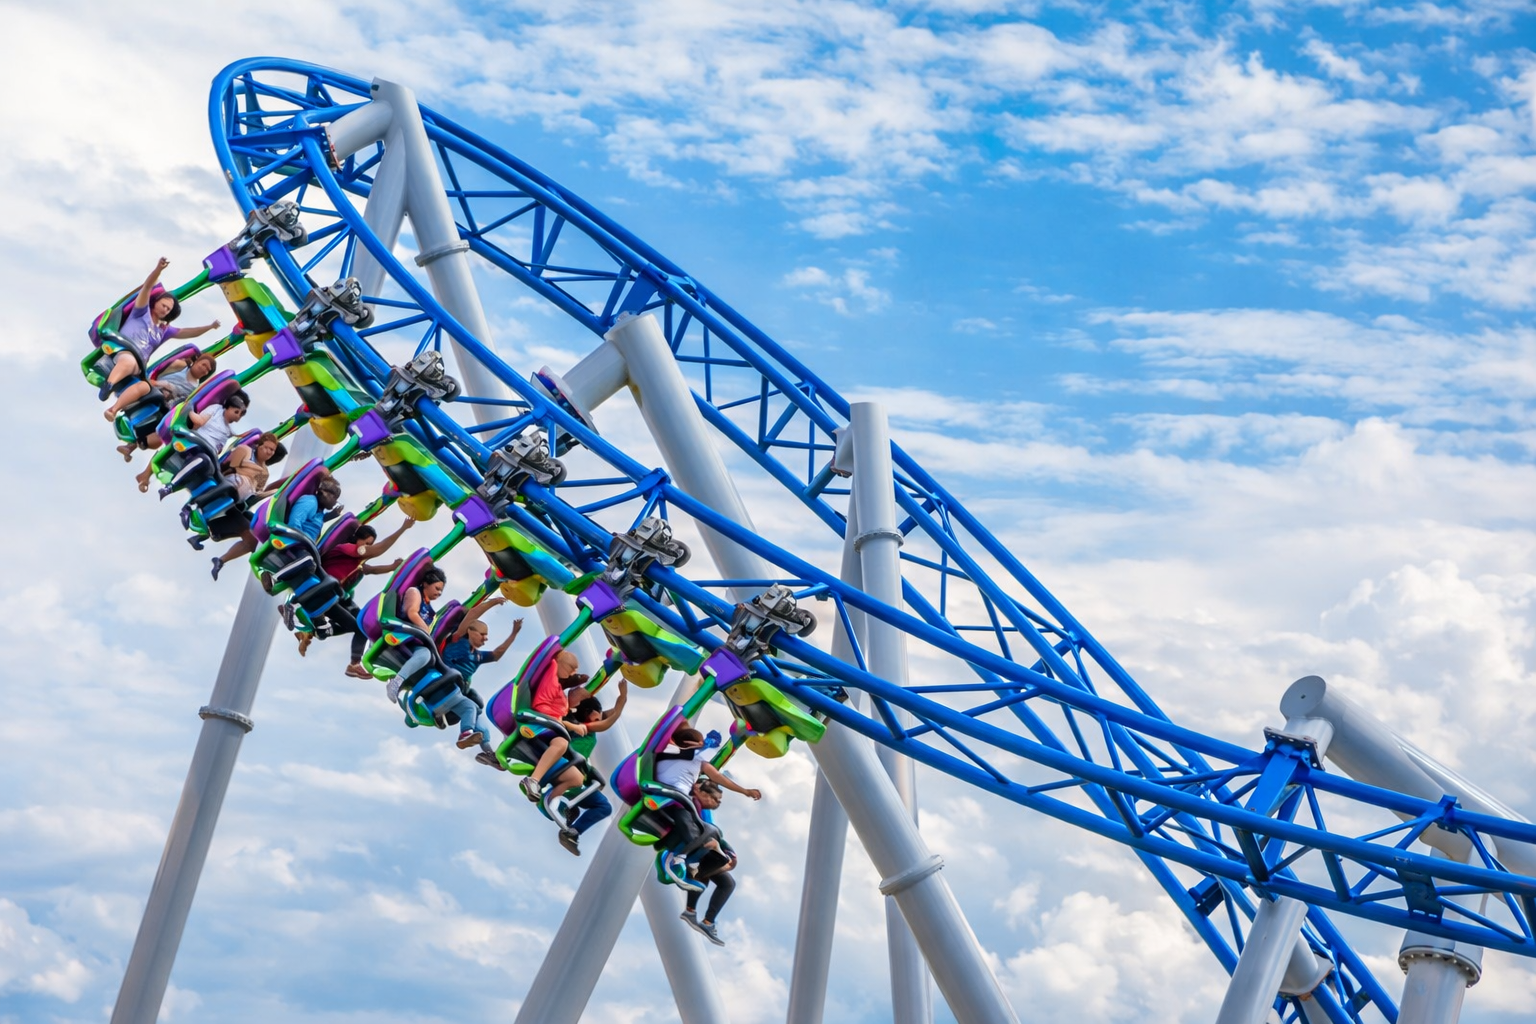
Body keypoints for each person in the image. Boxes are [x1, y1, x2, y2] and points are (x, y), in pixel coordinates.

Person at [293, 517, 414, 673]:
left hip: (337, 596)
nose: (368, 547)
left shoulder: (356, 561)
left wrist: (392, 567)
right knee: (358, 627)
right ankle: (352, 663)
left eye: (370, 544)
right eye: (367, 543)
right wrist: (403, 528)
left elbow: (371, 570)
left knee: (363, 623)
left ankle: (311, 633)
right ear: (358, 539)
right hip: (325, 593)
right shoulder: (346, 548)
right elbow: (379, 549)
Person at [101, 257, 221, 400]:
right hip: (122, 348)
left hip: (139, 363)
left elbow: (186, 332)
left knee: (146, 386)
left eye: (168, 309)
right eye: (164, 305)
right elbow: (147, 287)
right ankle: (108, 385)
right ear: (156, 302)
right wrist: (158, 269)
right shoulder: (141, 312)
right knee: (129, 362)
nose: (165, 310)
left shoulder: (163, 331)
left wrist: (209, 327)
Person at [535, 680, 630, 856]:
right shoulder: (580, 726)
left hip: (579, 770)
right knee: (585, 792)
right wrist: (623, 695)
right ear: (588, 712)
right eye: (598, 713)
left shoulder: (588, 724)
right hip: (567, 766)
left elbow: (614, 712)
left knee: (603, 806)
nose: (601, 716)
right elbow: (610, 719)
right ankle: (549, 800)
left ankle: (572, 833)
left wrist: (622, 696)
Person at [654, 727, 760, 883]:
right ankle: (680, 859)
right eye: (700, 742)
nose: (703, 745)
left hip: (671, 801)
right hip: (674, 800)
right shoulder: (690, 758)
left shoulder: (668, 755)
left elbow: (715, 773)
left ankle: (692, 865)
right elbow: (716, 775)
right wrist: (745, 791)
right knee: (713, 831)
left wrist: (745, 791)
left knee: (716, 843)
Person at [133, 389, 250, 494]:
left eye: (241, 415)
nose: (238, 417)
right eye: (236, 412)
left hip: (209, 451)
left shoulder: (229, 431)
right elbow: (199, 421)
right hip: (197, 440)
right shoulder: (217, 410)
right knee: (172, 446)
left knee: (207, 466)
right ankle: (146, 475)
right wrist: (187, 409)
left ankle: (178, 484)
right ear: (228, 406)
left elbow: (225, 445)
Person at [208, 433, 289, 579]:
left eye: (272, 451)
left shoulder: (263, 472)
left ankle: (220, 559)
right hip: (225, 494)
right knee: (248, 529)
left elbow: (256, 493)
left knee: (255, 534)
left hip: (238, 503)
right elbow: (227, 467)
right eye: (268, 449)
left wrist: (272, 492)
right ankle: (214, 531)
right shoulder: (246, 452)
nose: (269, 453)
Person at [517, 648, 591, 802]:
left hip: (553, 727)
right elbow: (541, 706)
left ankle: (551, 802)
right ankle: (533, 781)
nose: (573, 673)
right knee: (561, 743)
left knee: (577, 776)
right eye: (572, 668)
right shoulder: (551, 672)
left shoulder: (558, 686)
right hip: (540, 723)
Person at [680, 778, 738, 945]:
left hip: (706, 841)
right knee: (714, 865)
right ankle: (691, 909)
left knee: (727, 883)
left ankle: (705, 920)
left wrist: (727, 850)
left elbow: (712, 829)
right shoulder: (691, 801)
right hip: (696, 846)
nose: (716, 802)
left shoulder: (702, 807)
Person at [106, 351, 217, 429]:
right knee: (145, 387)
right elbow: (161, 367)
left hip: (168, 403)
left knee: (166, 421)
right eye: (203, 365)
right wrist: (154, 381)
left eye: (208, 370)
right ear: (196, 362)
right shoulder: (181, 366)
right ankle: (113, 410)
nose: (204, 370)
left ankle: (132, 444)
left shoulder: (195, 389)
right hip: (155, 387)